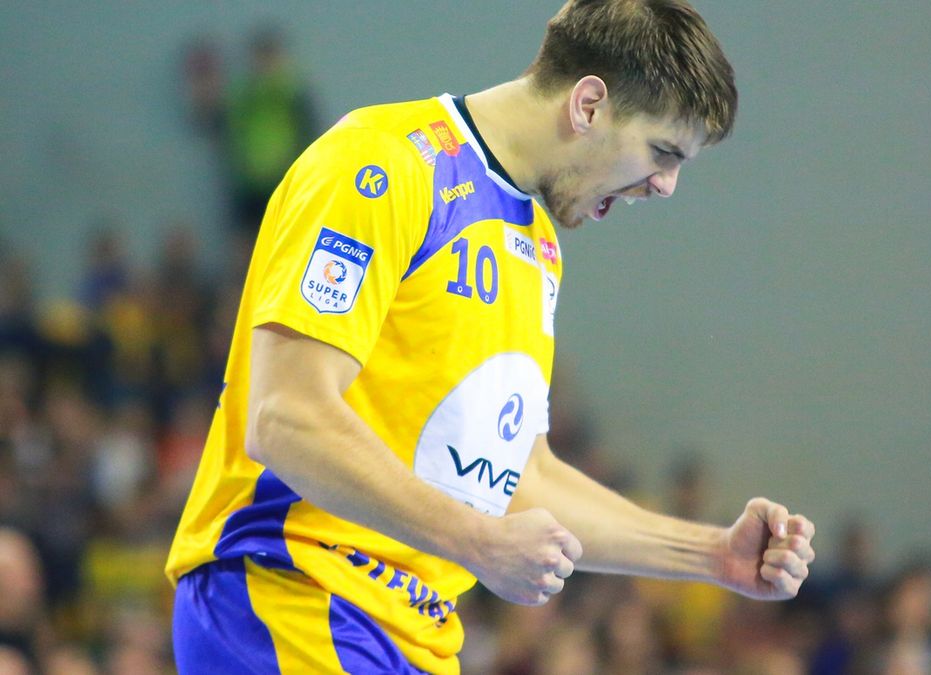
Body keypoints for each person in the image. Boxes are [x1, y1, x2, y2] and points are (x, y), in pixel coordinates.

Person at [166, 1, 816, 673]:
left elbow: (520, 480)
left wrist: (711, 554)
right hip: (287, 596)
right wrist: (476, 540)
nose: (667, 186)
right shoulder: (380, 163)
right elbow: (285, 418)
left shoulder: (537, 247)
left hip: (408, 633)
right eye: (663, 151)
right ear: (589, 105)